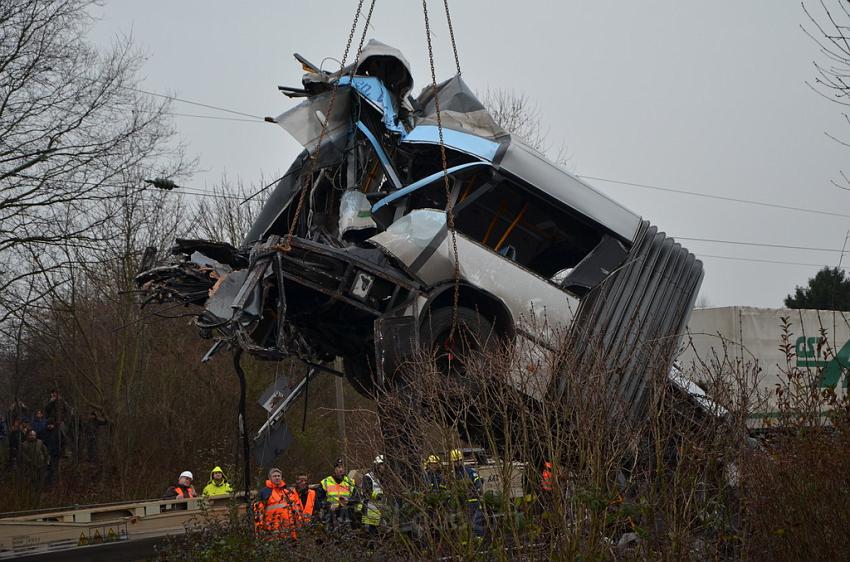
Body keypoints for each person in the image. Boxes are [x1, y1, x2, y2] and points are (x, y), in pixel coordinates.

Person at [450, 449, 485, 538]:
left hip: (473, 502)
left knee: (476, 522)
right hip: (461, 503)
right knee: (463, 524)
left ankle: (479, 539)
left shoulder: (469, 471)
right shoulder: (452, 475)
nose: (457, 463)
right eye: (455, 461)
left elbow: (478, 482)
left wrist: (475, 491)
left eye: (459, 461)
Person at [255, 468, 296, 539]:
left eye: (278, 476)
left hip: (287, 528)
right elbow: (258, 513)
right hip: (271, 527)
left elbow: (294, 509)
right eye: (274, 476)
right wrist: (260, 529)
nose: (277, 478)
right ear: (269, 478)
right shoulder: (264, 492)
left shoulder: (286, 491)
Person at [320, 458, 356, 530]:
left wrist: (348, 501)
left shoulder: (350, 482)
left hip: (347, 516)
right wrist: (329, 505)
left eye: (342, 467)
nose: (341, 469)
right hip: (331, 516)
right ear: (334, 469)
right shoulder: (326, 482)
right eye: (338, 467)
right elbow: (319, 500)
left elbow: (357, 499)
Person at [361, 455, 386, 534]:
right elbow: (367, 492)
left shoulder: (384, 478)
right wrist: (378, 496)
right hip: (370, 512)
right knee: (371, 534)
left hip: (382, 510)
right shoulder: (368, 477)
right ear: (376, 466)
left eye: (384, 465)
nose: (383, 467)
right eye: (381, 465)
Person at [42, 419, 63, 484]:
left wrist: (61, 451)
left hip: (55, 453)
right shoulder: (44, 432)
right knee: (47, 468)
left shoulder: (57, 432)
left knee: (54, 468)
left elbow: (62, 442)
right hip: (46, 453)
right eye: (48, 425)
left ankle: (53, 482)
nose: (50, 426)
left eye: (51, 425)